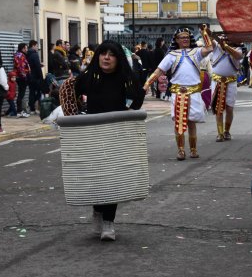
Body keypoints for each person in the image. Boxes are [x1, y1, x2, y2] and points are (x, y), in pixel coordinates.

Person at [75, 40, 145, 241]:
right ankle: (97, 210)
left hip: (117, 135)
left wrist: (128, 112)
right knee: (97, 178)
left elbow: (138, 98)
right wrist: (73, 115)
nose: (106, 57)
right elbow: (71, 93)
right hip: (92, 135)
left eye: (111, 54)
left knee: (112, 179)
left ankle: (108, 222)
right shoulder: (89, 76)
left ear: (118, 58)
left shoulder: (127, 78)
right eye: (103, 53)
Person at [143, 27, 214, 160]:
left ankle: (193, 150)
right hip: (178, 92)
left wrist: (204, 33)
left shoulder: (196, 52)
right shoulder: (171, 55)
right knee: (179, 123)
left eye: (187, 37)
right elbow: (159, 71)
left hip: (194, 92)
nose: (185, 39)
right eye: (182, 37)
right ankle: (181, 150)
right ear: (176, 40)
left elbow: (209, 48)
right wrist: (147, 84)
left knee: (192, 122)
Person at [209, 36, 243, 141]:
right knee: (218, 108)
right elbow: (209, 39)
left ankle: (227, 131)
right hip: (217, 81)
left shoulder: (238, 49)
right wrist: (206, 31)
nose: (225, 40)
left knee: (229, 108)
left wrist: (226, 46)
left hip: (231, 82)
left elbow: (238, 56)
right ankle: (220, 133)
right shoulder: (216, 46)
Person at [13, 43, 30, 118]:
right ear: (23, 48)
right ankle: (19, 111)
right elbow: (21, 67)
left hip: (20, 77)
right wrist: (24, 76)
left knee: (21, 94)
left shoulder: (19, 55)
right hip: (21, 78)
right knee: (21, 94)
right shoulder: (20, 55)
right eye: (26, 48)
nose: (27, 49)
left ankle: (19, 111)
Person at [27, 40, 43, 114]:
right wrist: (41, 76)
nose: (37, 48)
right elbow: (37, 66)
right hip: (36, 76)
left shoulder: (27, 53)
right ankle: (31, 105)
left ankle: (32, 108)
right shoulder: (34, 54)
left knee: (32, 92)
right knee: (39, 92)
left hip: (29, 76)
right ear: (33, 46)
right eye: (36, 46)